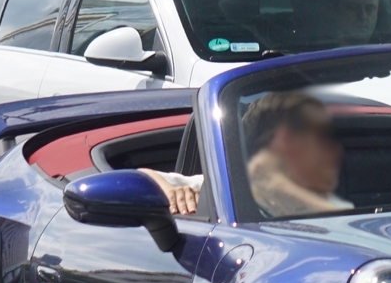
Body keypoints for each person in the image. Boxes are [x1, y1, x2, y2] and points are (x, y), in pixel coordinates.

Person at [144, 89, 349, 219]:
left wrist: (283, 190)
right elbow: (142, 175)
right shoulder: (224, 189)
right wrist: (173, 191)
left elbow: (341, 225)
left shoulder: (327, 201)